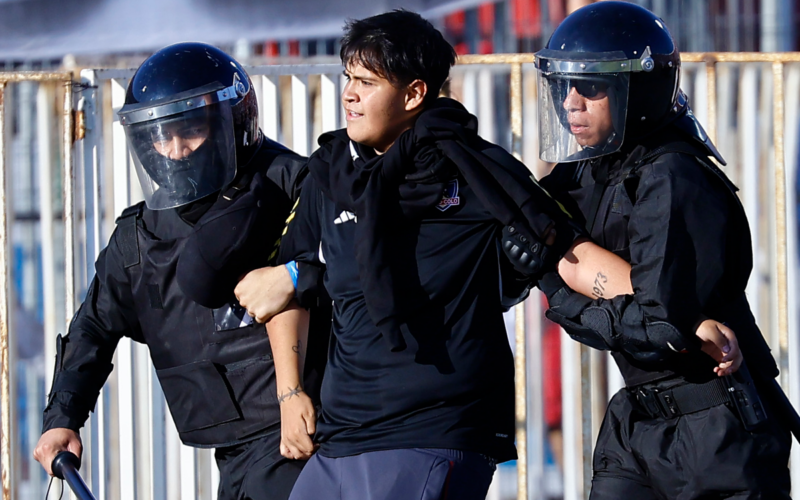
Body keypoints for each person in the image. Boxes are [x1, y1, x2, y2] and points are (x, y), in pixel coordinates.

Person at [231, 10, 736, 500]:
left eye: (366, 82)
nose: (349, 94)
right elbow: (286, 285)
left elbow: (567, 253)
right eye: (348, 77)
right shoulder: (329, 171)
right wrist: (291, 392)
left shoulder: (473, 168)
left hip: (434, 431)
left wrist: (685, 319)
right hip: (341, 437)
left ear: (413, 94)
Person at [521, 2, 796, 498]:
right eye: (566, 86)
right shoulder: (594, 167)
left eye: (592, 87)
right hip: (635, 422)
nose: (571, 104)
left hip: (714, 427)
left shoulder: (672, 175)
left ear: (638, 90)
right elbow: (525, 228)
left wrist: (560, 291)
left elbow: (660, 324)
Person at [32, 42, 327, 500]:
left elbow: (348, 272)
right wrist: (62, 419)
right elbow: (93, 325)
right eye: (160, 136)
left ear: (232, 121)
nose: (175, 150)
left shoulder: (296, 185)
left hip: (308, 436)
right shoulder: (139, 234)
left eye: (190, 130)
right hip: (233, 452)